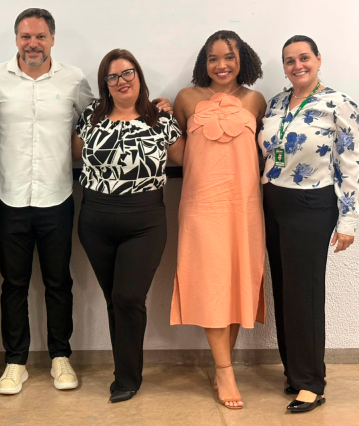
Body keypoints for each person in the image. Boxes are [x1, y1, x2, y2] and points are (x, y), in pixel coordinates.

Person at [0, 8, 170, 395]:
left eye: (40, 36)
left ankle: (60, 356)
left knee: (58, 282)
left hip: (57, 197)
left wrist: (155, 104)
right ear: (16, 40)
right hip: (9, 199)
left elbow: (104, 112)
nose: (33, 44)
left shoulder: (73, 79)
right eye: (26, 36)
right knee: (14, 284)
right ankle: (16, 362)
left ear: (52, 39)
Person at [72, 49, 181, 403]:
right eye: (113, 76)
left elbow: (187, 158)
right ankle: (125, 371)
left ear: (139, 76)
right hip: (95, 221)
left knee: (128, 297)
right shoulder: (90, 117)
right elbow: (73, 154)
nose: (121, 81)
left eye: (127, 73)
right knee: (114, 299)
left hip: (145, 223)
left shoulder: (161, 120)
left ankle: (128, 378)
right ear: (105, 83)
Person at [258, 35, 358, 413]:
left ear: (318, 59)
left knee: (305, 292)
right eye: (289, 60)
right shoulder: (276, 103)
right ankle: (295, 372)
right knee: (285, 290)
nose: (297, 65)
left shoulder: (339, 103)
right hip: (274, 202)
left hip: (312, 204)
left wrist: (348, 220)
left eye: (304, 58)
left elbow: (351, 164)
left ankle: (311, 384)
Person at [169, 30, 267, 409]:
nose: (221, 65)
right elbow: (177, 151)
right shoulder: (186, 98)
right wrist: (160, 115)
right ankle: (225, 370)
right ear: (203, 62)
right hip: (201, 205)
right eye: (213, 58)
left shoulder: (256, 101)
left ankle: (222, 364)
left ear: (243, 60)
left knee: (238, 282)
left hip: (244, 206)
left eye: (229, 57)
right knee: (210, 282)